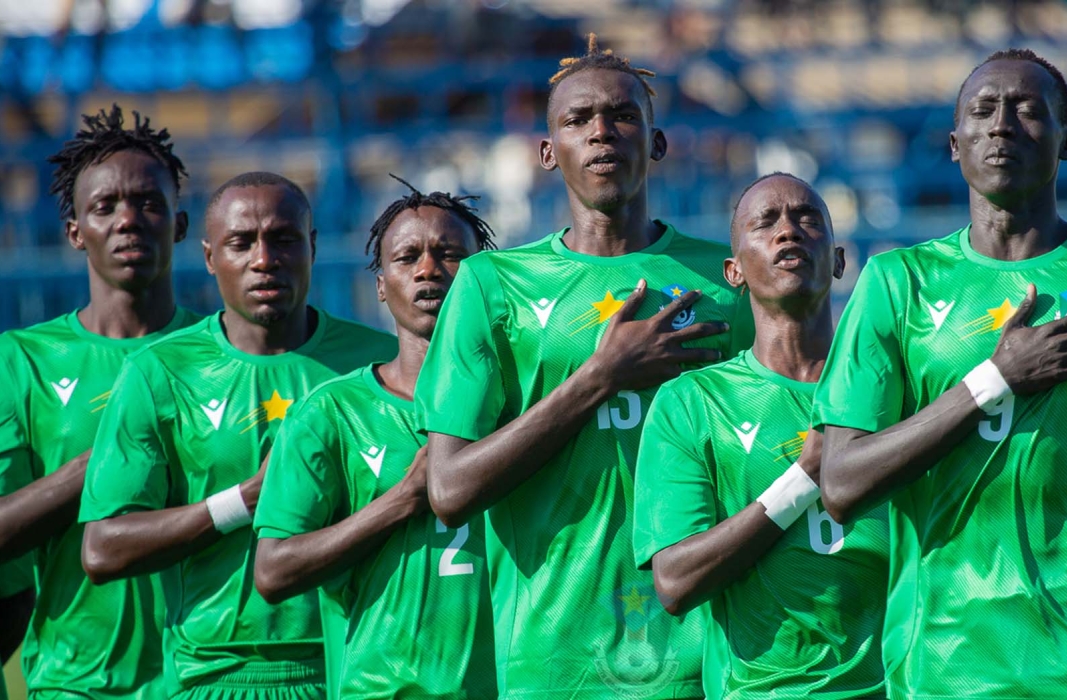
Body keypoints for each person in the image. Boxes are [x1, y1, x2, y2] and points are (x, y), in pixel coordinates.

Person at [813, 48, 1067, 699]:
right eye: (982, 110)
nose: (1001, 125)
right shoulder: (895, 285)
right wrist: (995, 380)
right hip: (942, 668)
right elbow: (841, 482)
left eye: (1027, 109)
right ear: (954, 144)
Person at [415, 34, 754, 699]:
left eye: (624, 115)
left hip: (712, 655)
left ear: (656, 143)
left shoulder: (730, 281)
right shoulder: (492, 286)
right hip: (552, 659)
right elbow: (448, 491)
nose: (603, 132)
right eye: (578, 120)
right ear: (548, 152)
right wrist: (599, 378)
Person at [78, 172, 397, 700]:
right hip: (213, 677)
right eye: (241, 242)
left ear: (313, 246)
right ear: (209, 257)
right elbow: (103, 549)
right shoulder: (159, 371)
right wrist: (243, 501)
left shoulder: (377, 361)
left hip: (356, 670)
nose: (264, 258)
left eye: (284, 239)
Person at [634, 173, 889, 698]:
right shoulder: (692, 402)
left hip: (894, 686)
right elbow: (675, 581)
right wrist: (804, 477)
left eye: (808, 220)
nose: (788, 232)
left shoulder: (897, 386)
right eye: (766, 223)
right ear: (733, 272)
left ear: (840, 262)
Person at [252, 180, 498, 699]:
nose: (429, 270)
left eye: (449, 254)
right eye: (407, 257)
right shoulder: (331, 412)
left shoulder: (524, 403)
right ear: (382, 284)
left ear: (485, 274)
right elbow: (272, 570)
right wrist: (401, 502)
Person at [0, 104, 199, 698]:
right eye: (104, 206)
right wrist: (106, 466)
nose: (128, 220)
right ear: (74, 231)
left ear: (180, 225)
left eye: (148, 203)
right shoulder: (22, 360)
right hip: (76, 681)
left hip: (207, 677)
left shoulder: (222, 356)